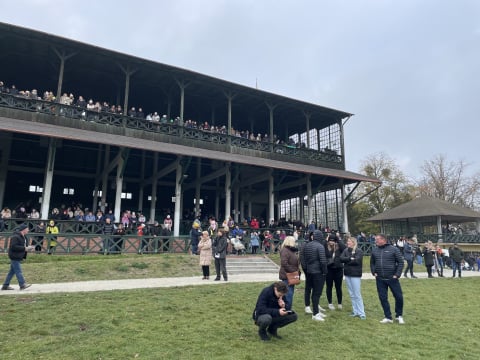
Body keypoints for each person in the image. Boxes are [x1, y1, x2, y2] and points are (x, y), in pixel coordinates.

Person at [370, 234, 405, 324]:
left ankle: (399, 315)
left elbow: (400, 262)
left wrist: (397, 275)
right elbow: (372, 262)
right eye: (375, 239)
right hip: (380, 279)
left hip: (392, 278)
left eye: (377, 239)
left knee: (399, 297)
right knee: (383, 298)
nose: (376, 241)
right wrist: (374, 272)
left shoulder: (394, 249)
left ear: (384, 240)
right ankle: (388, 317)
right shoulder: (374, 250)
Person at [300, 229, 328, 321]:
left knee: (312, 292)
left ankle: (316, 311)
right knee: (316, 293)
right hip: (318, 272)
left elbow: (304, 258)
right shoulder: (320, 246)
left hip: (309, 272)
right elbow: (323, 261)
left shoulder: (307, 245)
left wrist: (306, 269)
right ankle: (315, 314)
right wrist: (325, 272)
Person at [1, 224, 34, 290]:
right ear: (23, 230)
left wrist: (28, 248)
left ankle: (5, 285)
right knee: (18, 271)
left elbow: (23, 245)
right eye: (27, 229)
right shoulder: (15, 237)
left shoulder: (23, 236)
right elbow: (13, 247)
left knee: (12, 272)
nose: (28, 230)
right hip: (14, 256)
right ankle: (22, 284)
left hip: (18, 256)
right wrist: (25, 248)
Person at [340, 237, 366, 319]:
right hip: (347, 274)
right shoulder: (345, 250)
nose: (347, 242)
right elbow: (341, 259)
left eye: (349, 241)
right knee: (351, 294)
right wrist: (349, 258)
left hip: (355, 274)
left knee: (357, 294)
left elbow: (357, 261)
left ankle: (361, 313)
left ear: (353, 242)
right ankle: (355, 311)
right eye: (347, 241)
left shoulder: (359, 251)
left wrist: (347, 261)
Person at [324, 233, 346, 310]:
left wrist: (338, 239)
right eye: (330, 240)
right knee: (329, 286)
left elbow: (344, 248)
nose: (331, 242)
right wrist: (326, 240)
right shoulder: (326, 247)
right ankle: (330, 303)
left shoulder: (339, 247)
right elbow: (322, 245)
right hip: (329, 269)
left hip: (338, 269)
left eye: (333, 240)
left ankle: (339, 303)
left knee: (338, 287)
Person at [279, 236, 299, 310]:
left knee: (289, 293)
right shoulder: (285, 250)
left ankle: (287, 308)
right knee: (288, 294)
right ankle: (287, 309)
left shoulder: (290, 250)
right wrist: (293, 271)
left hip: (291, 275)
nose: (295, 243)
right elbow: (284, 263)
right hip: (287, 275)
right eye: (294, 241)